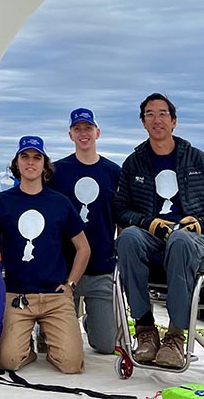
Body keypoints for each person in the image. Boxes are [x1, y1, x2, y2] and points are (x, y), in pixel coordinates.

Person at [114, 93, 204, 368]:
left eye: (162, 113)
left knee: (180, 240)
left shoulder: (198, 160)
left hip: (194, 237)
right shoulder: (134, 163)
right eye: (149, 114)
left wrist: (201, 222)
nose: (156, 119)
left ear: (174, 121)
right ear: (143, 122)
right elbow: (121, 209)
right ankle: (145, 331)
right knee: (128, 238)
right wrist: (148, 223)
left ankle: (176, 336)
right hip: (152, 236)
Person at [0, 135, 89, 374]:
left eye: (37, 157)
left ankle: (49, 333)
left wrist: (71, 284)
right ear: (17, 163)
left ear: (45, 165)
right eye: (25, 156)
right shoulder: (3, 202)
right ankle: (28, 344)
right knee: (8, 361)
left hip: (55, 297)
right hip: (16, 295)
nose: (31, 162)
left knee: (71, 365)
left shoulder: (60, 203)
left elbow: (84, 248)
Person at [49, 108, 121, 354]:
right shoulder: (56, 172)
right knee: (53, 346)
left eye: (87, 128)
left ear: (97, 132)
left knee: (107, 346)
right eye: (77, 129)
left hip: (101, 269)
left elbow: (122, 218)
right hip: (63, 270)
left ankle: (94, 319)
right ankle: (47, 323)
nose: (83, 133)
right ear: (70, 134)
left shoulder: (113, 172)